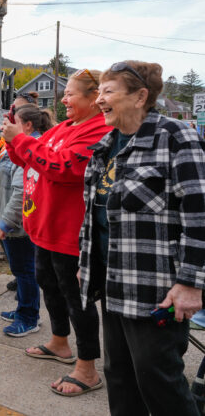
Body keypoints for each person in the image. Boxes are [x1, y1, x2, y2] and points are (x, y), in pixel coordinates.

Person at [79, 61, 205, 414]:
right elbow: (95, 215)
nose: (99, 99)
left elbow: (200, 215)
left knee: (159, 381)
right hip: (112, 282)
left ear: (140, 97)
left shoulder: (175, 137)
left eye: (108, 91)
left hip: (157, 289)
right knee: (119, 376)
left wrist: (191, 284)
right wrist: (86, 263)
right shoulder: (105, 145)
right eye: (99, 92)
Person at [3, 68, 111, 396]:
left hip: (70, 232)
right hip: (45, 227)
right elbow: (29, 159)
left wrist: (20, 140)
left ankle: (87, 368)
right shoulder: (65, 127)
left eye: (70, 94)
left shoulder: (99, 129)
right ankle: (59, 342)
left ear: (94, 98)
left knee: (77, 300)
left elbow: (63, 167)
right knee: (49, 287)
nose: (63, 100)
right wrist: (13, 138)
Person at [0, 106, 52, 337]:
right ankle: (23, 309)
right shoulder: (18, 145)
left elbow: (21, 192)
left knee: (25, 271)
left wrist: (5, 222)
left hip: (18, 225)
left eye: (12, 121)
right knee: (21, 269)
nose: (5, 125)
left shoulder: (31, 147)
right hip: (12, 221)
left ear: (27, 125)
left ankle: (29, 318)